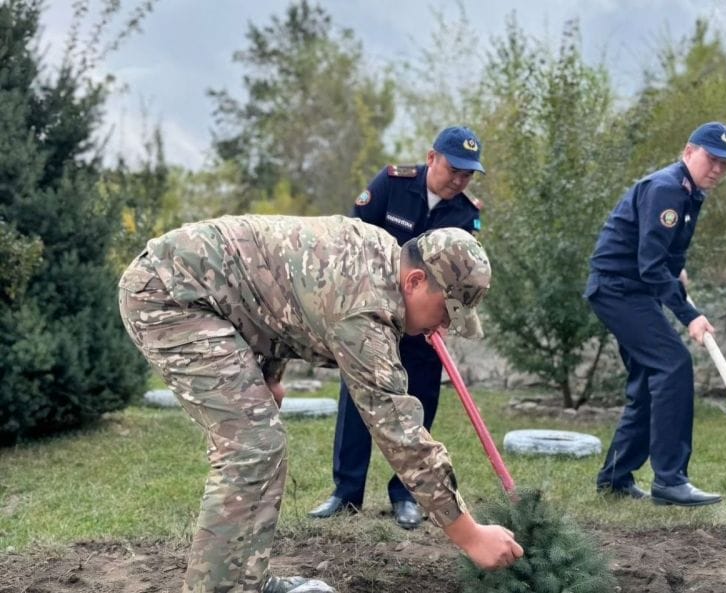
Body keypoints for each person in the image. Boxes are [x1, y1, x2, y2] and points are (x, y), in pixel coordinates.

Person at [118, 214, 523, 593]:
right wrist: (471, 536)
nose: (444, 326)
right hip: (170, 297)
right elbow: (400, 433)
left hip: (202, 293)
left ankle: (243, 580)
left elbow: (278, 292)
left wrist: (269, 376)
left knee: (262, 446)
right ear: (416, 281)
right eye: (446, 312)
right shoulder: (365, 311)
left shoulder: (383, 254)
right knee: (253, 448)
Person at [308, 126, 485, 529]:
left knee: (418, 403)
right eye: (454, 169)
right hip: (373, 316)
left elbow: (464, 275)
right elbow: (352, 239)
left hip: (424, 327)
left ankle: (406, 495)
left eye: (468, 174)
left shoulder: (467, 214)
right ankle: (346, 492)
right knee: (358, 398)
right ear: (431, 158)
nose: (459, 180)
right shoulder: (392, 185)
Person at [584, 121, 726, 507]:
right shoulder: (668, 188)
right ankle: (671, 480)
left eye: (725, 163)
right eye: (712, 158)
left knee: (647, 380)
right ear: (689, 151)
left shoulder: (689, 193)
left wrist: (678, 276)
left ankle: (615, 479)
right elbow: (651, 266)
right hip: (619, 290)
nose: (718, 168)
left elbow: (664, 258)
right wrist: (690, 316)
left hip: (631, 289)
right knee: (673, 364)